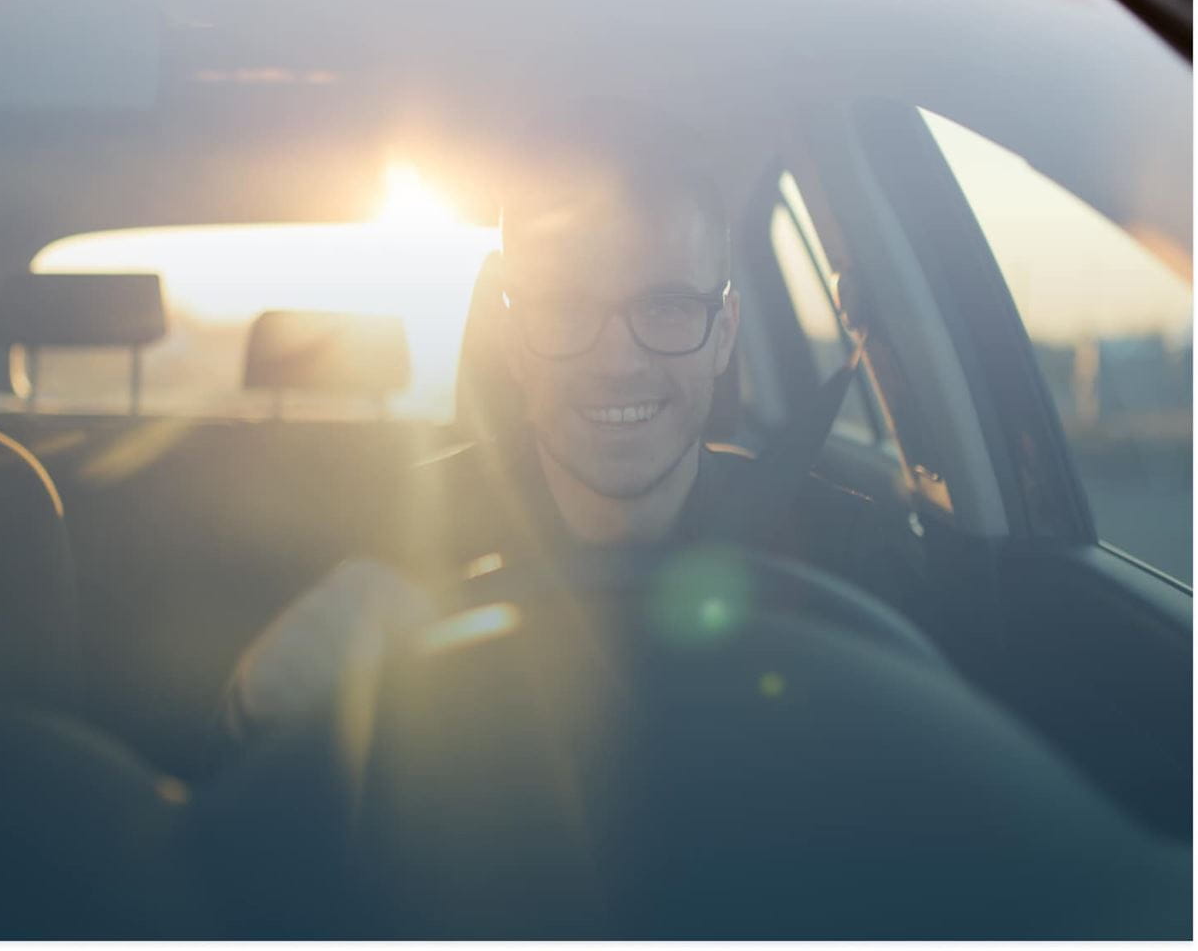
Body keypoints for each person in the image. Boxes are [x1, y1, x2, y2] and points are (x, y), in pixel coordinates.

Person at [222, 104, 903, 757]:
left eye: (665, 307)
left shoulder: (851, 557)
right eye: (564, 309)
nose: (616, 362)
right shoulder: (392, 536)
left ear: (724, 336)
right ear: (515, 339)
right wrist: (259, 706)